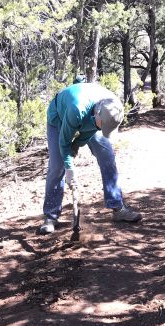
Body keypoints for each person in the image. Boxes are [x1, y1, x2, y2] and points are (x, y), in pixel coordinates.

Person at [39, 76, 141, 234]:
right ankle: (51, 216)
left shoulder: (113, 107)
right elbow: (64, 143)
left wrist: (77, 144)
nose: (103, 129)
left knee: (107, 155)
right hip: (59, 116)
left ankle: (117, 207)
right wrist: (69, 168)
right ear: (97, 114)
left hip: (89, 117)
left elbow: (90, 131)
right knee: (58, 165)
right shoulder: (76, 110)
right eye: (103, 126)